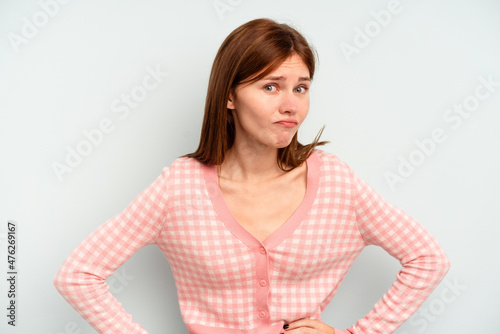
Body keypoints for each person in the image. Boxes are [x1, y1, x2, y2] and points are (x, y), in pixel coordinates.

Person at [54, 18, 450, 334]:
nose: (290, 105)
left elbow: (427, 258)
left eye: (301, 88)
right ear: (229, 96)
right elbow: (78, 275)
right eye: (270, 86)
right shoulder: (180, 187)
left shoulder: (334, 183)